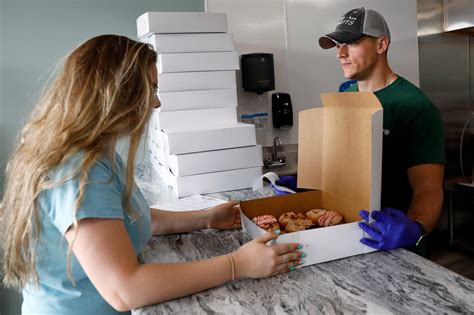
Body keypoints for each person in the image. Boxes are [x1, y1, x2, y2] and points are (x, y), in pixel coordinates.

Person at [0, 35, 304, 314]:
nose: (156, 102)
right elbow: (125, 289)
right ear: (116, 91)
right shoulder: (81, 169)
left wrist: (205, 218)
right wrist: (237, 264)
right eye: (152, 89)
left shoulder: (97, 151)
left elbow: (130, 218)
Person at [318, 8, 446, 253]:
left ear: (381, 45)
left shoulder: (416, 106)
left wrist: (415, 228)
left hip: (393, 242)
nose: (341, 54)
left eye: (352, 43)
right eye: (337, 45)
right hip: (348, 231)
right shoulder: (345, 96)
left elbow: (428, 189)